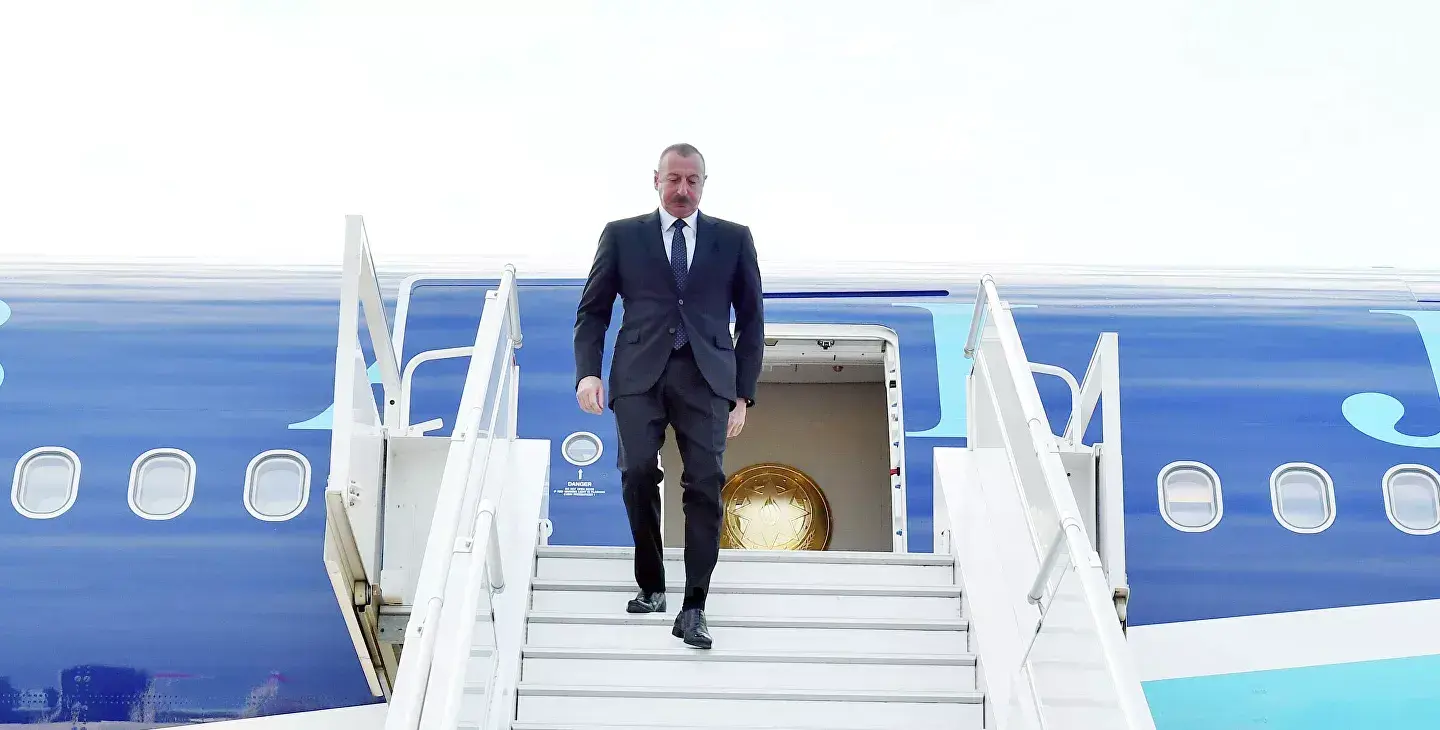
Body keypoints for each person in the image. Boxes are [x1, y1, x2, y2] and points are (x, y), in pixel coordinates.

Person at [573, 143, 764, 649]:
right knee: (637, 471)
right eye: (673, 179)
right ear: (656, 179)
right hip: (639, 373)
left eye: (692, 181)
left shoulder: (734, 239)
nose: (682, 189)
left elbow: (751, 321)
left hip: (707, 377)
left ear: (704, 183)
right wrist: (588, 373)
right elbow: (593, 311)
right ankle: (652, 584)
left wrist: (743, 393)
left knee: (705, 484)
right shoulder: (621, 235)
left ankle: (694, 606)